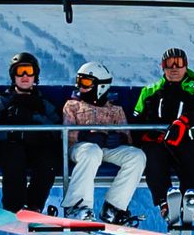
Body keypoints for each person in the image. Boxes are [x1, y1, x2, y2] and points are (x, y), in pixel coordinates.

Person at [60, 66, 149, 224]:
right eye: (79, 81)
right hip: (80, 148)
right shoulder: (72, 106)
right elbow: (65, 134)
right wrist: (84, 135)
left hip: (107, 149)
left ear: (101, 86)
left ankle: (114, 208)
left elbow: (127, 137)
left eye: (86, 82)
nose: (81, 86)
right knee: (92, 151)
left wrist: (119, 138)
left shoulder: (115, 110)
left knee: (136, 156)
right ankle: (77, 206)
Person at [133, 46, 194, 224]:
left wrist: (184, 121)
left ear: (186, 66)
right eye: (169, 64)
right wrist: (142, 138)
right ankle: (165, 202)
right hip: (158, 142)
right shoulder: (150, 92)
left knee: (192, 152)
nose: (174, 68)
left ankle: (191, 194)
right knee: (152, 156)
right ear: (163, 67)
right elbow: (136, 121)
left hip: (183, 139)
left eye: (179, 63)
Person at [0, 51, 61, 213]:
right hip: (9, 147)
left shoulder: (43, 103)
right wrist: (12, 134)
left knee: (48, 160)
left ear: (36, 75)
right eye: (20, 72)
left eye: (30, 71)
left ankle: (34, 206)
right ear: (13, 75)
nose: (25, 76)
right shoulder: (2, 101)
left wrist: (37, 121)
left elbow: (57, 129)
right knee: (14, 155)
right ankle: (14, 206)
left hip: (36, 148)